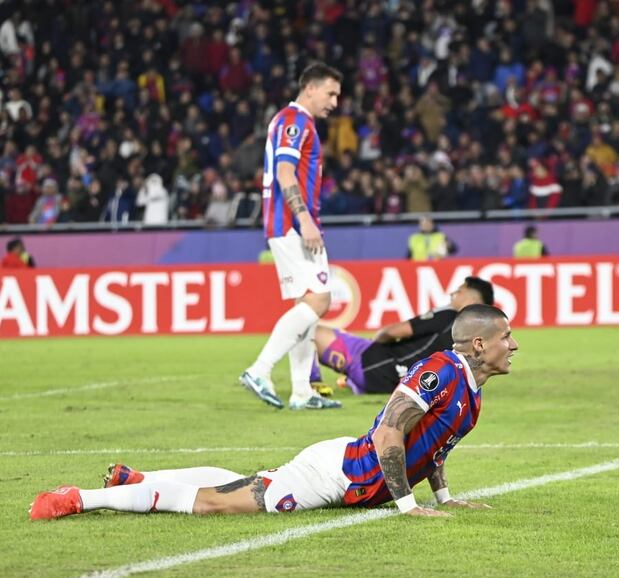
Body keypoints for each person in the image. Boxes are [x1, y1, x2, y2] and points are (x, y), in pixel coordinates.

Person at [29, 305, 518, 520]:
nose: (513, 346)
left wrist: (445, 497)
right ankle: (80, 499)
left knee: (242, 482)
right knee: (214, 503)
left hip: (349, 476)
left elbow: (433, 445)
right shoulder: (441, 370)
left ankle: (137, 477)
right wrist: (409, 506)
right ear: (479, 343)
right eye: (506, 338)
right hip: (336, 475)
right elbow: (391, 428)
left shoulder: (471, 391)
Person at [239, 63, 343, 410]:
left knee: (308, 303)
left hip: (290, 223)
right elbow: (285, 173)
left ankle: (302, 391)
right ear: (310, 88)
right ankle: (259, 370)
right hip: (292, 224)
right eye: (330, 93)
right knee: (319, 301)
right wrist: (304, 219)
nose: (334, 102)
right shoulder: (295, 120)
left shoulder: (295, 121)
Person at [310, 276, 495, 394]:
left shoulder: (449, 316)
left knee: (310, 330)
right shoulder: (477, 337)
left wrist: (376, 342)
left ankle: (311, 383)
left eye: (459, 291)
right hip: (402, 385)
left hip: (375, 364)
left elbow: (391, 332)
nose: (453, 294)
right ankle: (351, 381)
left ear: (472, 300)